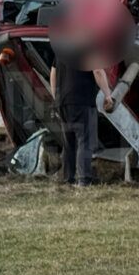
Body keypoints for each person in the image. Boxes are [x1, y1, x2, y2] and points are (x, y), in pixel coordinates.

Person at [50, 58, 116, 186]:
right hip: (82, 100)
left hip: (63, 103)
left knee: (69, 143)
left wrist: (56, 97)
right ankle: (84, 180)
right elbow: (97, 71)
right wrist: (108, 95)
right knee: (85, 141)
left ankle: (68, 179)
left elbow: (53, 72)